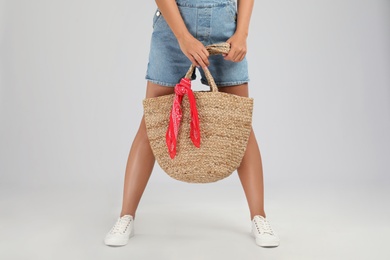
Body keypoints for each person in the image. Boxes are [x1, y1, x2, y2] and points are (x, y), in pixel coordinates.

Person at [104, 0, 280, 248]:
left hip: (225, 26)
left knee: (238, 122)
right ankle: (126, 217)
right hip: (173, 26)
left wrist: (242, 33)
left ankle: (259, 217)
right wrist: (182, 36)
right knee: (153, 121)